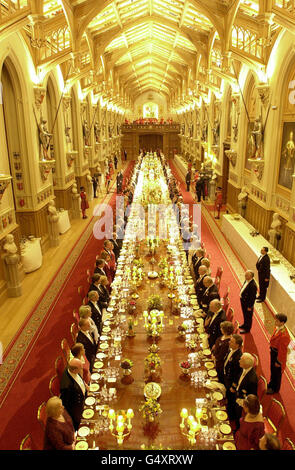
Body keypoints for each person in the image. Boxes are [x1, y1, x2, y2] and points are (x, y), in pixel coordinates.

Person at [60, 359, 87, 431]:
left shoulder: (71, 369)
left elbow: (79, 380)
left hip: (83, 397)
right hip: (77, 408)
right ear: (74, 370)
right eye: (80, 368)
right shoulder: (67, 386)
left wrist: (85, 386)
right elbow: (68, 404)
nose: (82, 368)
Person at [267, 313, 291, 395]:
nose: (275, 322)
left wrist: (278, 361)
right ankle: (271, 384)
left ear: (282, 322)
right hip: (274, 352)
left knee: (276, 373)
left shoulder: (284, 336)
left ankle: (275, 388)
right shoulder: (278, 328)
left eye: (277, 321)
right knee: (272, 370)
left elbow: (282, 351)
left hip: (278, 356)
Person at [234, 353, 258, 429]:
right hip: (237, 393)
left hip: (243, 401)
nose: (239, 361)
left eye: (241, 360)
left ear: (247, 364)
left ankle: (237, 429)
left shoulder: (252, 379)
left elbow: (251, 396)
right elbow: (238, 378)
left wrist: (241, 402)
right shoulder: (244, 368)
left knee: (238, 417)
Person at [224, 334, 243, 421]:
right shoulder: (231, 349)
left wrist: (233, 386)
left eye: (231, 342)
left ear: (237, 345)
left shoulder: (239, 357)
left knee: (231, 399)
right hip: (227, 377)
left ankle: (230, 417)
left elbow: (238, 374)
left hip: (231, 382)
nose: (229, 342)